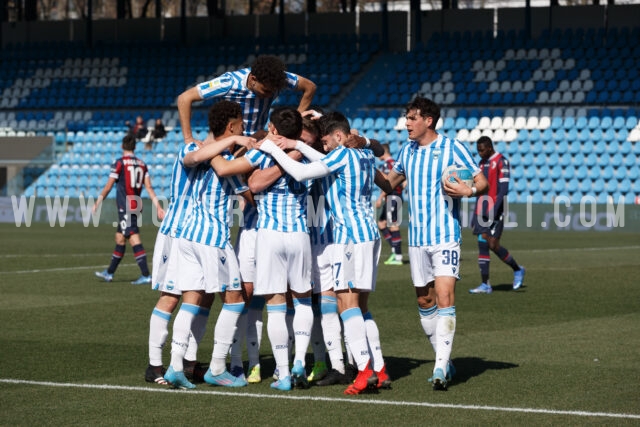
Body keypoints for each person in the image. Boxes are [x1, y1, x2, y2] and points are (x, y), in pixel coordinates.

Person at [177, 54, 316, 385]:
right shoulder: (230, 82)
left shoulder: (278, 81)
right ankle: (236, 362)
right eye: (266, 90)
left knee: (258, 292)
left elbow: (309, 87)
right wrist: (189, 141)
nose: (269, 95)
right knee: (243, 290)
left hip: (260, 146)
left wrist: (288, 126)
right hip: (239, 147)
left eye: (274, 91)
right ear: (253, 80)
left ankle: (251, 364)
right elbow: (185, 98)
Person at [257, 111, 389, 395]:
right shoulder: (364, 154)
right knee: (358, 306)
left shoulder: (341, 154)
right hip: (369, 235)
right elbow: (326, 159)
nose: (324, 146)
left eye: (327, 142)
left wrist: (271, 148)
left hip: (349, 238)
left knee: (347, 305)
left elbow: (303, 171)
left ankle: (365, 371)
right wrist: (294, 144)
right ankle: (377, 368)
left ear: (339, 136)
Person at [375, 96, 488, 391]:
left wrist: (469, 189)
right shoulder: (407, 150)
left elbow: (483, 182)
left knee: (444, 296)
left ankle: (439, 368)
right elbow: (390, 183)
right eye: (407, 118)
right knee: (424, 301)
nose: (407, 123)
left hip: (445, 236)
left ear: (428, 120)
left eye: (412, 118)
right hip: (418, 239)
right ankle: (445, 359)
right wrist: (365, 163)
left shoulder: (452, 148)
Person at [145, 109, 254, 385]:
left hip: (185, 233)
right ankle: (163, 364)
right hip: (192, 234)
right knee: (177, 297)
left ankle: (180, 364)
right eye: (240, 127)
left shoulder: (212, 153)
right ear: (231, 127)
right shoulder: (197, 150)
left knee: (195, 298)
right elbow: (244, 192)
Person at [93, 133, 165, 285]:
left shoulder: (119, 163)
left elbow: (109, 185)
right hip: (136, 204)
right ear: (135, 147)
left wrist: (98, 201)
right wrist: (158, 206)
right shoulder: (142, 164)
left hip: (126, 206)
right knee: (120, 237)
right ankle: (110, 273)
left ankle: (146, 275)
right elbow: (149, 187)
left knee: (133, 238)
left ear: (122, 146)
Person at [468, 136, 525, 294]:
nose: (479, 153)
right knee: (482, 244)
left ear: (490, 148)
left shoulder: (501, 161)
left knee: (493, 245)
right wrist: (475, 214)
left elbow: (503, 190)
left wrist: (495, 209)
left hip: (496, 210)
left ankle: (517, 269)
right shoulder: (481, 164)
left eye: (482, 150)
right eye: (478, 150)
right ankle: (485, 284)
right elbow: (479, 191)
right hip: (481, 211)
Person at [375, 144, 404, 266]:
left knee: (393, 225)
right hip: (393, 197)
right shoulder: (394, 163)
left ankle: (398, 256)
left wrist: (380, 197)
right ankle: (395, 249)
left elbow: (388, 183)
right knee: (381, 223)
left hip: (393, 197)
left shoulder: (389, 164)